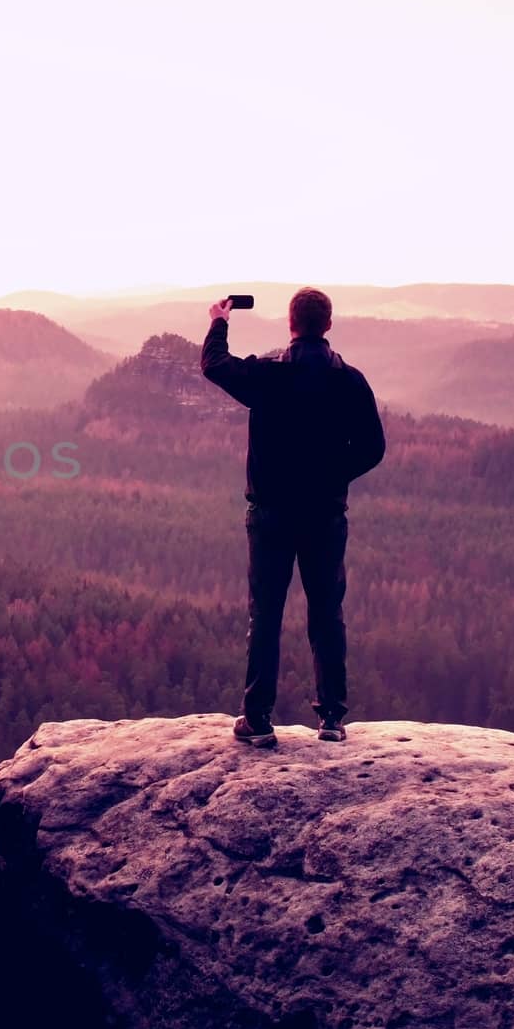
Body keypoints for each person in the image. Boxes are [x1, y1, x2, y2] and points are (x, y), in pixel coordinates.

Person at [199, 287, 386, 748]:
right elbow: (373, 448)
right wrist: (334, 474)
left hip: (270, 514)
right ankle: (331, 720)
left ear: (290, 323)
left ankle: (258, 718)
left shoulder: (269, 375)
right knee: (326, 613)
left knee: (265, 614)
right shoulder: (350, 381)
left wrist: (219, 321)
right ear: (328, 325)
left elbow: (214, 366)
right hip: (325, 515)